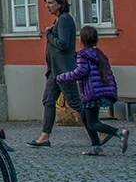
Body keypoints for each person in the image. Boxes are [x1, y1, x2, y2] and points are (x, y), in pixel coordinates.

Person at [54, 26, 130, 156]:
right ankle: (96, 147)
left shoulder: (83, 55)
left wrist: (62, 77)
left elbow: (80, 72)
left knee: (93, 123)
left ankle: (119, 133)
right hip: (100, 92)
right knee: (84, 115)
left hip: (91, 93)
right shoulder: (100, 54)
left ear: (81, 40)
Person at [28, 0, 82, 148]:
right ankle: (45, 136)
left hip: (64, 70)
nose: (47, 6)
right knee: (48, 101)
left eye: (50, 3)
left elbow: (63, 44)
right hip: (54, 70)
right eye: (46, 3)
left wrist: (49, 34)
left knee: (74, 102)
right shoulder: (59, 20)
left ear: (60, 4)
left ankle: (100, 130)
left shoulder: (64, 20)